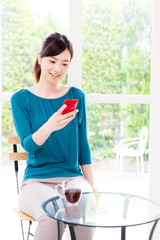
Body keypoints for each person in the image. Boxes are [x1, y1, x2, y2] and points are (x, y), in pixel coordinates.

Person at [11, 32, 96, 240]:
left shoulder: (77, 96)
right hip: (35, 183)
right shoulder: (21, 99)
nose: (58, 69)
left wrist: (92, 187)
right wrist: (49, 126)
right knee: (53, 214)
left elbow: (82, 146)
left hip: (73, 178)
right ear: (40, 58)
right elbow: (29, 145)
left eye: (65, 64)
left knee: (85, 209)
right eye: (52, 60)